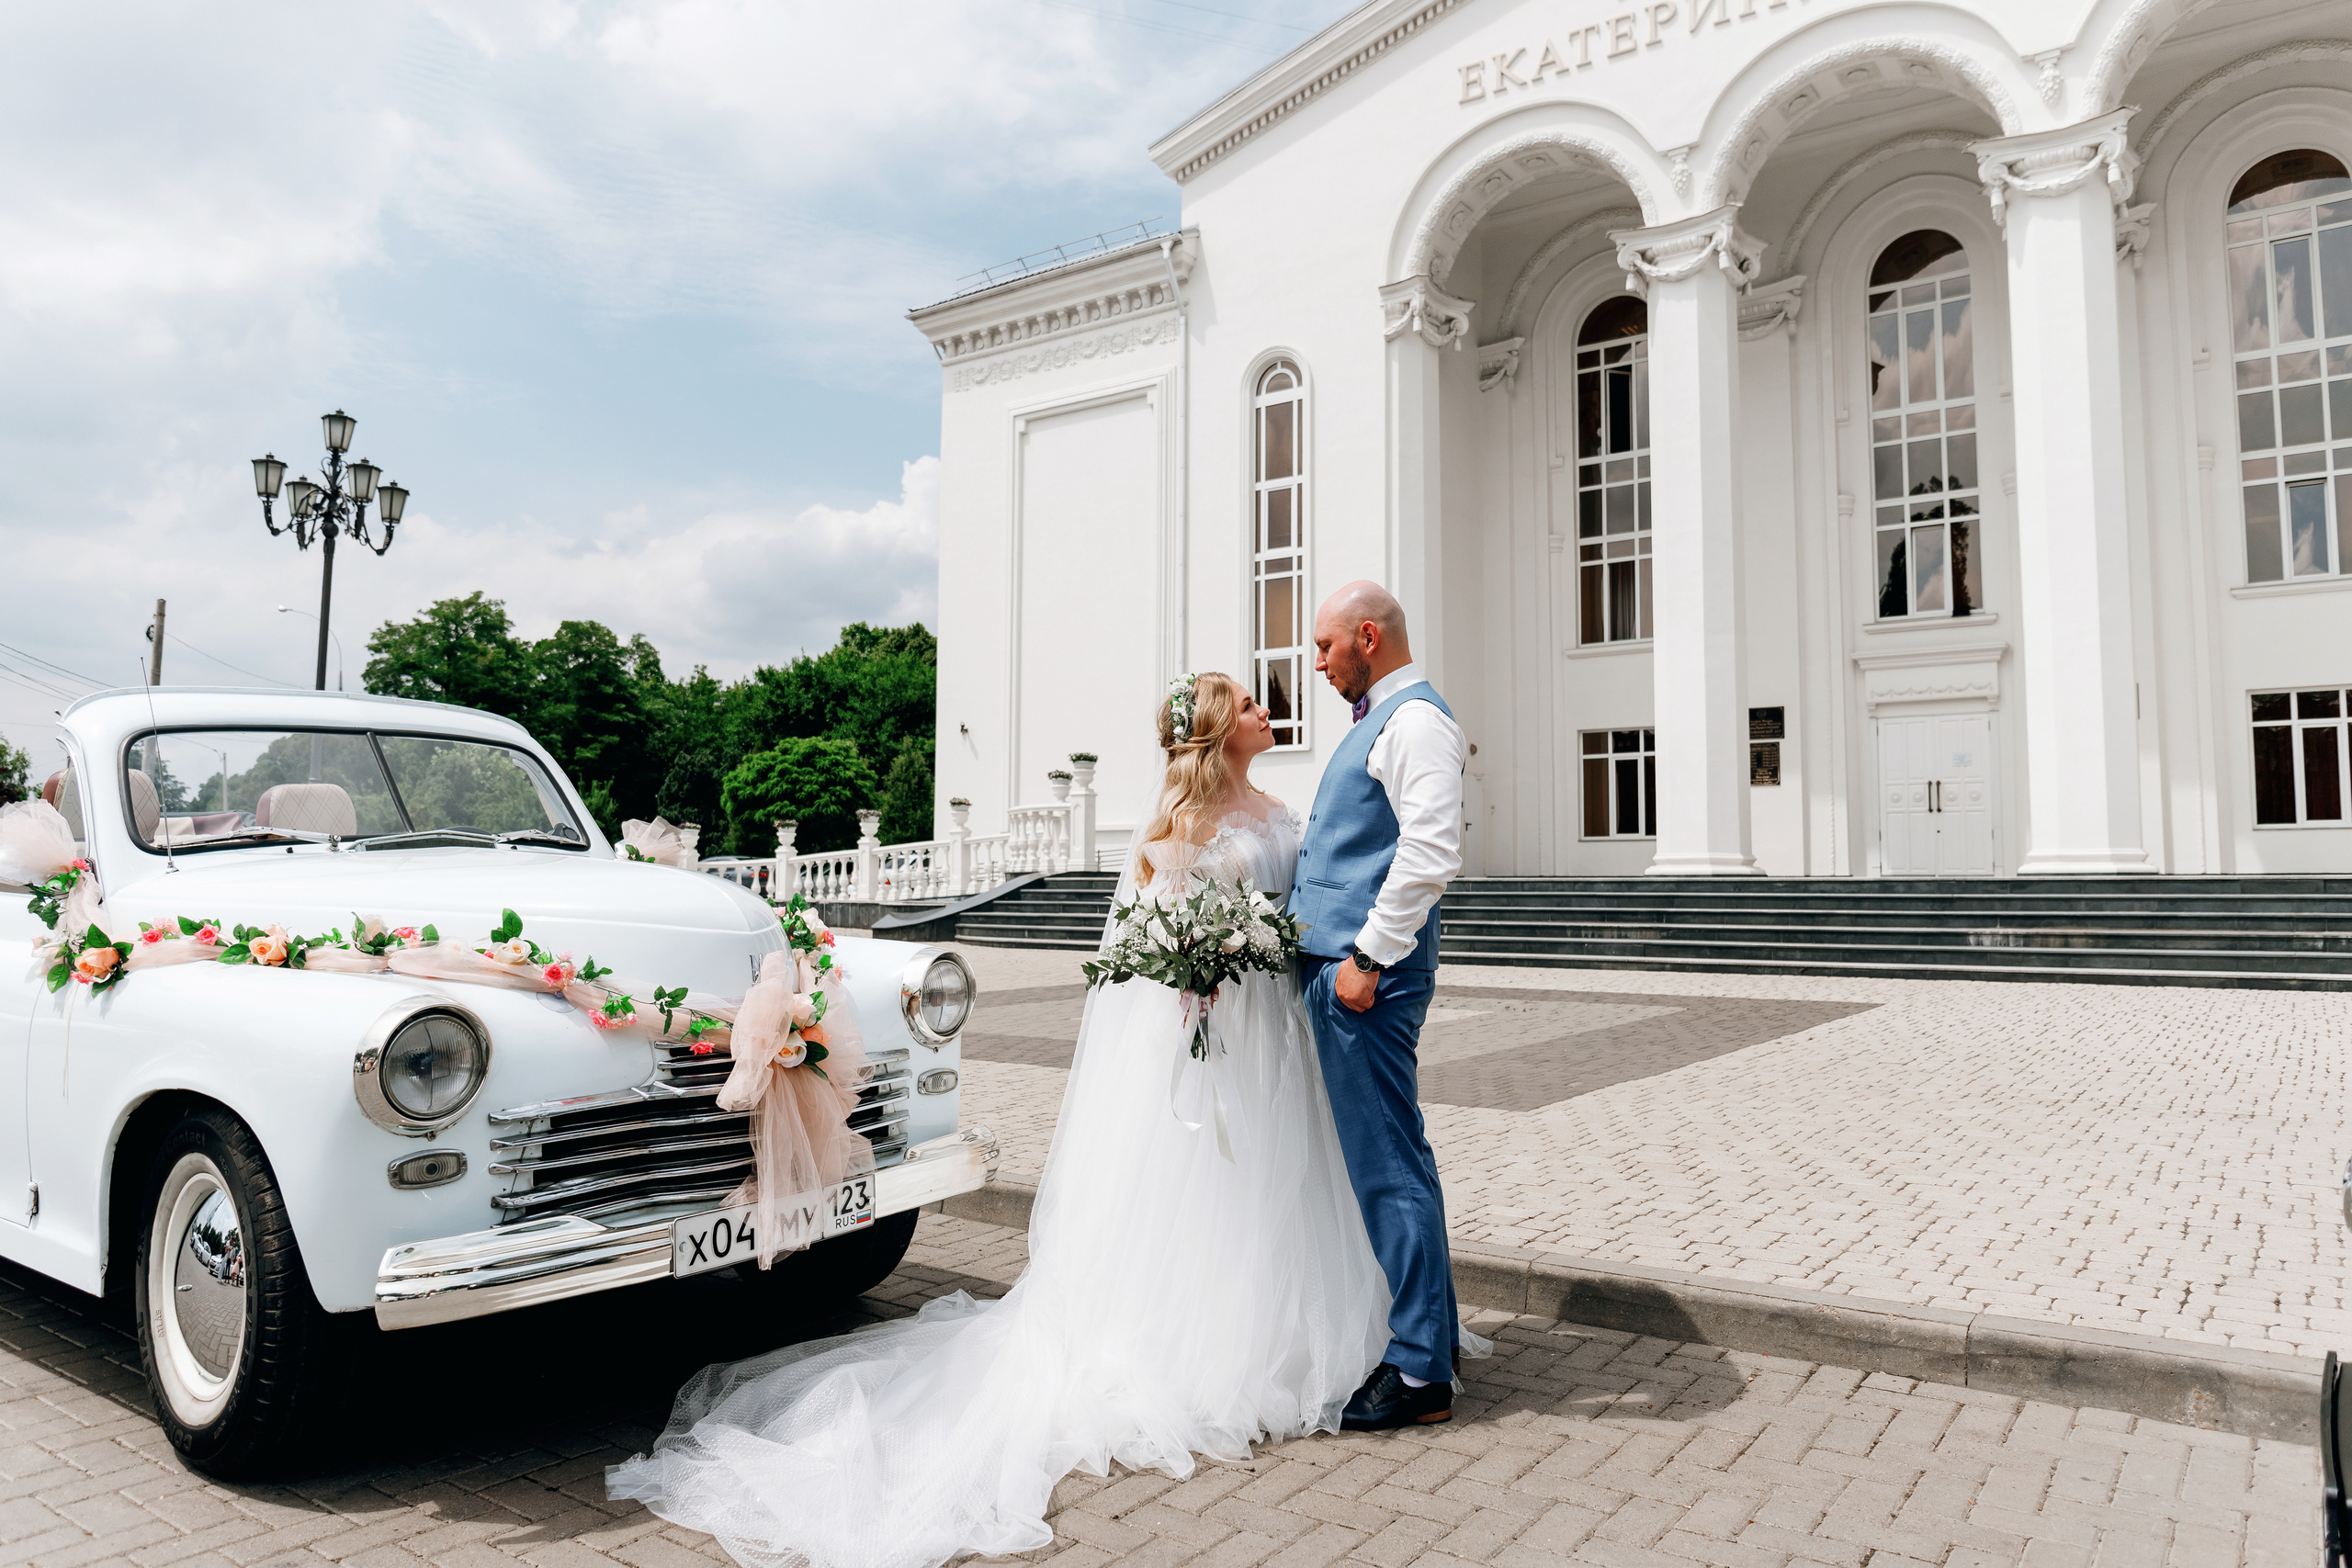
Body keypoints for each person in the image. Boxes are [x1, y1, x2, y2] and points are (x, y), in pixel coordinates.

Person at [607, 672, 1391, 1568]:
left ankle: (1294, 1327)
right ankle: (1215, 1345)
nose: (1266, 709)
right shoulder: (1179, 830)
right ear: (1217, 730)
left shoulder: (1278, 805)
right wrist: (1201, 966)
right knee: (1215, 1182)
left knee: (1280, 1172)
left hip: (1276, 1031)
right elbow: (1163, 933)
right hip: (1217, 1027)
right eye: (1250, 704)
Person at [1290, 580, 1472, 1431]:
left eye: (1325, 647)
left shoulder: (1415, 723)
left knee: (1388, 1166)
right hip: (1354, 974)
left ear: (1369, 636)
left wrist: (1365, 957)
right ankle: (1431, 1334)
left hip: (1369, 981)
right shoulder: (1380, 722)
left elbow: (1432, 851)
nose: (1316, 663)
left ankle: (1419, 1372)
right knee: (1398, 1159)